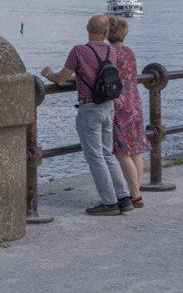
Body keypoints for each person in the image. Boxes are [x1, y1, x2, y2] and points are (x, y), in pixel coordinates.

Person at [41, 14, 133, 216]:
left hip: (89, 108)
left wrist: (47, 74)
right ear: (106, 33)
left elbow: (61, 78)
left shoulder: (79, 51)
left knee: (95, 156)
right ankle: (123, 197)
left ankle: (109, 202)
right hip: (108, 105)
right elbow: (98, 72)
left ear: (87, 29)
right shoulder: (111, 50)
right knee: (108, 154)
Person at [107, 15, 151, 208]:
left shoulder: (110, 53)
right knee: (135, 149)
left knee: (122, 151)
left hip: (118, 104)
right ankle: (137, 192)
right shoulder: (129, 52)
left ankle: (134, 194)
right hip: (134, 102)